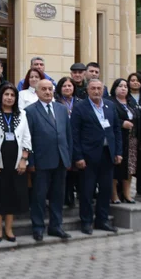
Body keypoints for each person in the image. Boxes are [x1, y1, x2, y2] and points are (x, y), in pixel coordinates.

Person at [24, 79, 73, 241]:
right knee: (39, 197)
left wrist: (68, 158)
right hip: (41, 161)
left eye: (50, 89)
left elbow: (68, 135)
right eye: (43, 89)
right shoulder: (30, 111)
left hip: (60, 160)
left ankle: (56, 226)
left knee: (58, 196)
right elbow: (27, 139)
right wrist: (30, 162)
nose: (47, 92)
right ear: (36, 92)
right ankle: (38, 228)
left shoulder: (61, 109)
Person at [71, 79, 121, 235]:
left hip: (107, 155)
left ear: (103, 89)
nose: (96, 91)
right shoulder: (80, 108)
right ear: (87, 90)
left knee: (106, 189)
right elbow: (74, 134)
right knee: (87, 191)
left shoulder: (110, 106)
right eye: (93, 88)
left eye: (99, 88)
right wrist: (78, 156)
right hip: (88, 156)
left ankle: (103, 220)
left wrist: (118, 152)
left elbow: (117, 131)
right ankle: (86, 222)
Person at [0, 83, 28, 242]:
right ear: (1, 96)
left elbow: (27, 138)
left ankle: (9, 229)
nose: (9, 98)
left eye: (12, 95)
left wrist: (24, 159)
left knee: (12, 194)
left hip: (15, 161)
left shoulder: (22, 114)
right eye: (6, 94)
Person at [108, 78, 139, 204]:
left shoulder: (131, 102)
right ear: (114, 88)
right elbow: (109, 119)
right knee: (117, 168)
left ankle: (127, 194)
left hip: (131, 140)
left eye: (125, 86)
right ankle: (114, 195)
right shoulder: (110, 102)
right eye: (120, 86)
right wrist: (122, 123)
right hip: (118, 139)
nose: (123, 88)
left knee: (129, 169)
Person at [55, 76, 82, 208]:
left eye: (69, 86)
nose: (67, 88)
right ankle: (65, 196)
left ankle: (72, 195)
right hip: (61, 139)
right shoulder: (56, 102)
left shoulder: (80, 102)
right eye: (64, 86)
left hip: (77, 139)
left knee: (75, 170)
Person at [127, 72, 141, 197]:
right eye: (132, 80)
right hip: (131, 134)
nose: (135, 82)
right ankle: (125, 190)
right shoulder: (126, 96)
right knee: (130, 163)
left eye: (137, 80)